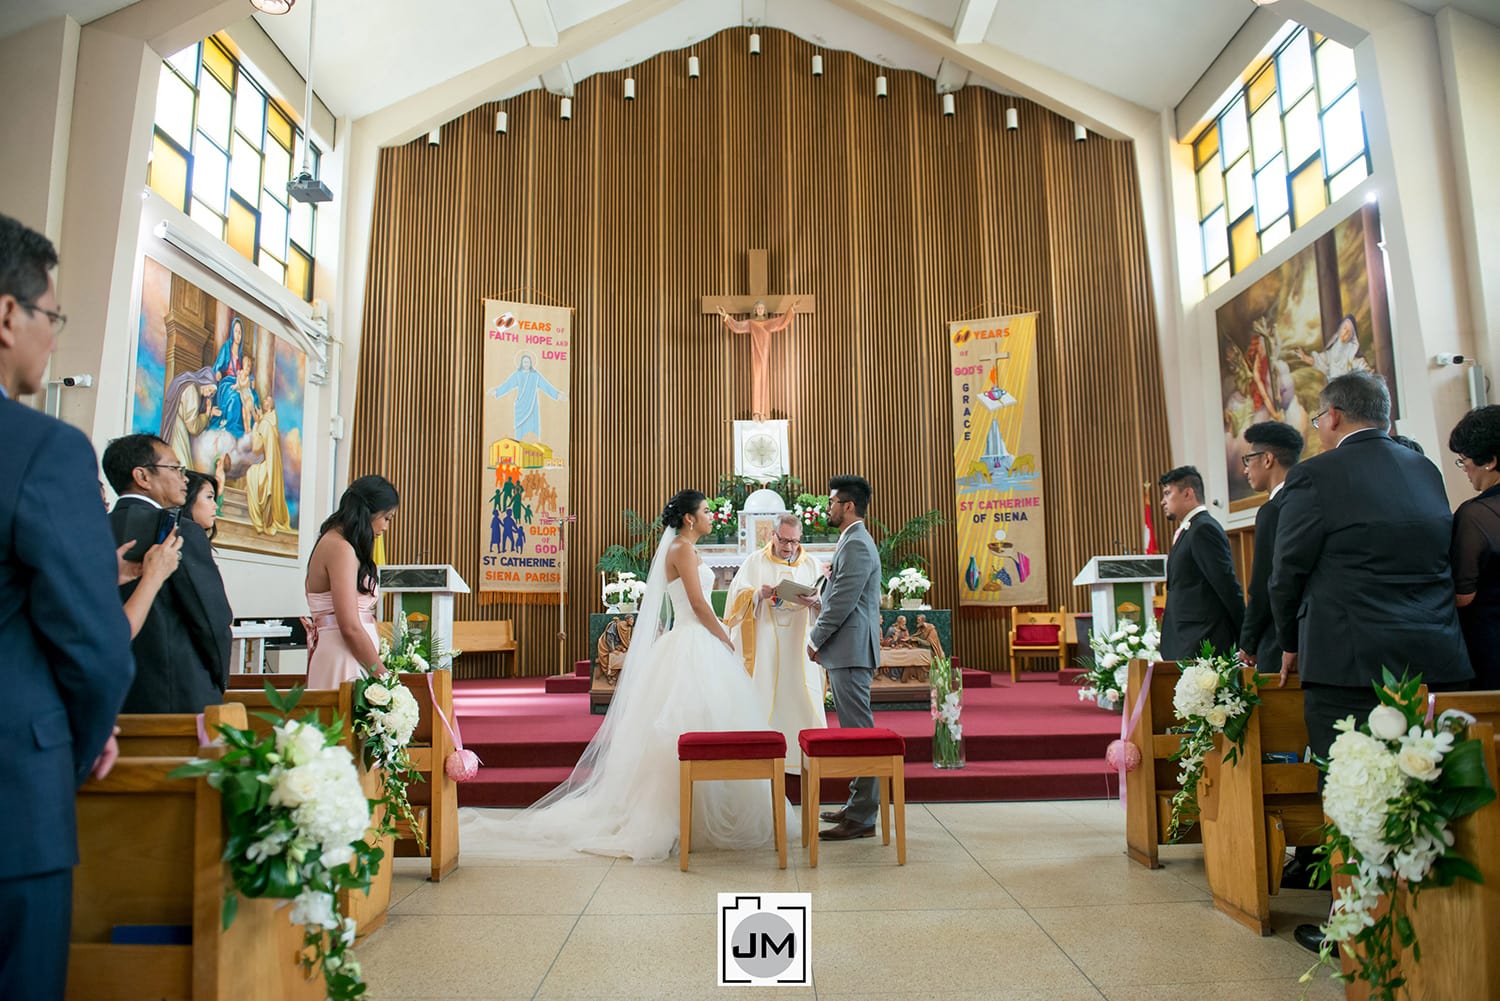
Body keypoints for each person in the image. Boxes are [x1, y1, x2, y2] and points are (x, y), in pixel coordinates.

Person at [460, 489, 780, 862]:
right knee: (688, 724)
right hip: (694, 640)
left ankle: (701, 813)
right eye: (707, 511)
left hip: (690, 640)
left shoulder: (682, 548)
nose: (712, 517)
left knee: (705, 724)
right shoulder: (682, 549)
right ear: (690, 518)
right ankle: (681, 817)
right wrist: (725, 639)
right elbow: (695, 603)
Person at [1269, 372, 1472, 954]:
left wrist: (1289, 641)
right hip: (1435, 655)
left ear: (1331, 417)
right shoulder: (1426, 469)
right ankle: (1435, 926)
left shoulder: (1315, 475)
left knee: (1354, 794)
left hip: (1350, 662)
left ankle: (1354, 927)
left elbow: (1287, 573)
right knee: (1426, 793)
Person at [0, 212, 136, 999]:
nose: (54, 335)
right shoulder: (42, 449)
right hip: (13, 794)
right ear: (8, 314)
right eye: (51, 315)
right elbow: (95, 645)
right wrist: (77, 748)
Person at [104, 433, 233, 714]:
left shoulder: (92, 531)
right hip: (177, 691)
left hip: (108, 695)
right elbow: (211, 619)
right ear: (142, 476)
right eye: (175, 468)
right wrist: (218, 679)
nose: (184, 477)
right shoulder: (180, 531)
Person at [807, 475, 884, 841]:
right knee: (856, 733)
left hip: (851, 650)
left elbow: (843, 602)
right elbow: (839, 592)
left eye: (832, 502)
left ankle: (864, 817)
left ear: (848, 505)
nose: (828, 508)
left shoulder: (856, 543)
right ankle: (858, 807)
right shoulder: (852, 541)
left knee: (860, 734)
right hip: (848, 649)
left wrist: (815, 637)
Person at [724, 512, 828, 766]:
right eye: (783, 540)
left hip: (799, 642)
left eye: (794, 542)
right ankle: (764, 758)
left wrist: (816, 602)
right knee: (767, 690)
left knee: (801, 692)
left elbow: (827, 605)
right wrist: (758, 594)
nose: (789, 547)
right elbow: (734, 603)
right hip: (765, 642)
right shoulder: (754, 562)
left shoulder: (812, 565)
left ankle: (803, 760)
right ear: (772, 535)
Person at [304, 476, 398, 688]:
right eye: (387, 518)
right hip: (344, 657)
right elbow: (349, 627)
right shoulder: (340, 548)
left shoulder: (339, 543)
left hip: (352, 655)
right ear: (368, 511)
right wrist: (384, 677)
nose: (385, 527)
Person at [1158, 465, 1243, 660]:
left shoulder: (1204, 529)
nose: (1163, 501)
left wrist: (1247, 637)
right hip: (1188, 640)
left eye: (1168, 493)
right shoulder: (1190, 529)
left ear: (1188, 493)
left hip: (1203, 641)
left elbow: (1226, 585)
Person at [1237, 421, 1304, 671]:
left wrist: (1248, 641)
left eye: (1248, 460)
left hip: (1279, 640)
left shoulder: (1273, 510)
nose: (1245, 470)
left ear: (1267, 459)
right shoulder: (1309, 501)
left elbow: (1266, 582)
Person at [1449, 405, 1500, 689]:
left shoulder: (1476, 515)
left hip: (1491, 642)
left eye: (1464, 459)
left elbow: (1462, 596)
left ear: (1490, 461)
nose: (1465, 469)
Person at [716, 299, 800, 421]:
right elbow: (738, 327)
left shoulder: (769, 323)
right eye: (758, 308)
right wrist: (726, 316)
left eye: (762, 308)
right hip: (755, 353)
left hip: (765, 354)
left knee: (764, 380)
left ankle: (764, 412)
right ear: (755, 310)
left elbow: (781, 322)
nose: (760, 309)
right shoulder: (751, 323)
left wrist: (791, 309)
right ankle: (756, 411)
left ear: (764, 310)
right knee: (756, 379)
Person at [489, 351, 564, 441]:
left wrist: (557, 394)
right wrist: (497, 391)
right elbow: (508, 384)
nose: (526, 364)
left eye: (528, 362)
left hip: (532, 404)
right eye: (524, 362)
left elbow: (545, 385)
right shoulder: (517, 374)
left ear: (531, 363)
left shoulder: (535, 375)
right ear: (521, 363)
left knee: (533, 426)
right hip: (521, 404)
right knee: (520, 429)